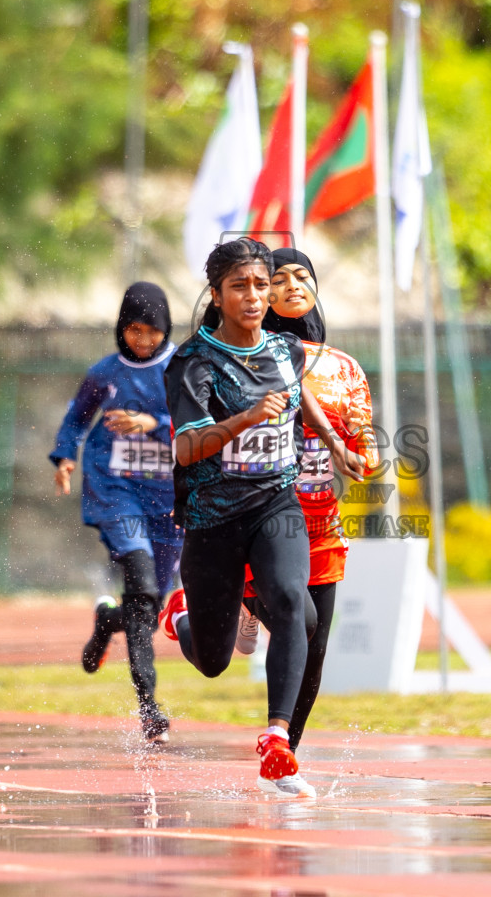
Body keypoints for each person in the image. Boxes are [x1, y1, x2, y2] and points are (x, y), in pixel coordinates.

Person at [158, 237, 364, 797]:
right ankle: (182, 619)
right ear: (217, 295)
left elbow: (301, 398)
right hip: (214, 519)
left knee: (296, 607)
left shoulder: (283, 350)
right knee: (213, 660)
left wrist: (338, 448)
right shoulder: (192, 363)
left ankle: (277, 740)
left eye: (261, 285)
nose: (254, 297)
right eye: (240, 287)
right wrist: (247, 418)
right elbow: (187, 448)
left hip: (276, 504)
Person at [238, 247, 376, 772]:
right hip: (263, 516)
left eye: (302, 275)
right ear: (261, 293)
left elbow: (361, 431)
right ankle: (241, 601)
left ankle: (283, 756)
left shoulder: (345, 366)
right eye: (279, 278)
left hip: (322, 523)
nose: (293, 283)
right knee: (304, 621)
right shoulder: (248, 356)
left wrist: (367, 453)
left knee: (315, 647)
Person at [50, 282, 180, 743]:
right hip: (115, 492)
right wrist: (64, 456)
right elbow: (75, 419)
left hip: (168, 500)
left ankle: (109, 620)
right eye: (135, 330)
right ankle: (150, 710)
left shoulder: (182, 367)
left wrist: (154, 424)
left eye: (153, 332)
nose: (143, 340)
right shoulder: (104, 373)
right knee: (142, 585)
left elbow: (202, 421)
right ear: (121, 328)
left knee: (148, 607)